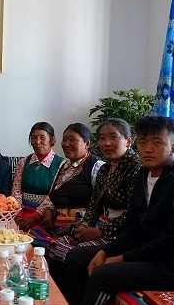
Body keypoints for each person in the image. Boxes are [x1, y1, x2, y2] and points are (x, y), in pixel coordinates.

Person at [63, 115, 174, 305]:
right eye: (143, 142)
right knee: (76, 257)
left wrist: (121, 258)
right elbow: (132, 229)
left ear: (172, 147)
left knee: (104, 274)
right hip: (147, 254)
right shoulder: (144, 174)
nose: (148, 149)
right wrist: (106, 251)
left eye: (157, 142)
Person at [47, 119, 141, 283]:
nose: (106, 143)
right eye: (102, 138)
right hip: (99, 225)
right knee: (56, 244)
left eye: (113, 137)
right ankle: (55, 294)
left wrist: (100, 231)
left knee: (73, 255)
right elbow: (94, 204)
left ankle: (74, 298)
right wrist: (84, 226)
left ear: (128, 141)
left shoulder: (136, 169)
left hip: (120, 235)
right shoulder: (105, 168)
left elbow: (132, 213)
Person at [36, 123, 104, 230]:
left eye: (72, 140)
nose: (66, 144)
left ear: (87, 144)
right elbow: (56, 193)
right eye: (64, 139)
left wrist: (81, 225)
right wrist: (49, 209)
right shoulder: (64, 166)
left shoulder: (96, 166)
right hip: (56, 226)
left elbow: (102, 205)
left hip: (81, 229)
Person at [14, 122, 64, 231]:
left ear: (52, 140)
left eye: (42, 138)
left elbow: (53, 194)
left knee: (35, 237)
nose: (37, 142)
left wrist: (35, 217)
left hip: (44, 215)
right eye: (34, 138)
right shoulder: (23, 162)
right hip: (20, 212)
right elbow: (16, 189)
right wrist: (17, 214)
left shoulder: (61, 164)